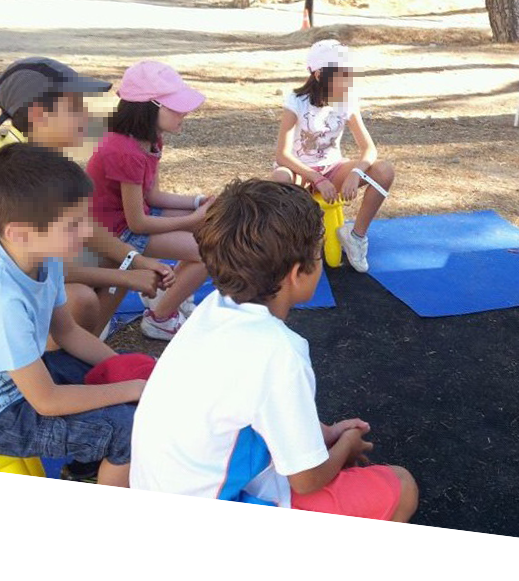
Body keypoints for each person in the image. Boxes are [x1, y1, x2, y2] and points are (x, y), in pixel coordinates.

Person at [130, 179, 418, 522]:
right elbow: (308, 479)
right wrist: (346, 447)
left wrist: (323, 433)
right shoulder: (279, 352)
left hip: (160, 494)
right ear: (297, 273)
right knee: (401, 486)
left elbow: (246, 406)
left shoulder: (213, 310)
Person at [0, 143, 144, 488]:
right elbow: (46, 401)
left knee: (109, 376)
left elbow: (69, 333)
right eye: (73, 225)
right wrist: (133, 388)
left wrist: (126, 372)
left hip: (23, 379)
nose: (86, 232)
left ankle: (85, 467)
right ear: (19, 233)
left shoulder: (41, 252)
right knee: (130, 429)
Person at [0, 58, 175, 346]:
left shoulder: (31, 153)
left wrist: (134, 259)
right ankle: (46, 366)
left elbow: (83, 226)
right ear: (40, 114)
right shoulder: (18, 176)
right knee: (79, 299)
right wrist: (129, 276)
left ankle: (83, 349)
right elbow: (43, 268)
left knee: (107, 258)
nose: (87, 116)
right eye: (75, 108)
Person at [86, 61, 213, 341]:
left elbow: (151, 196)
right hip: (113, 232)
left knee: (211, 232)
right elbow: (137, 223)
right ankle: (160, 318)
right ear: (151, 107)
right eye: (177, 107)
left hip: (127, 219)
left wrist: (198, 202)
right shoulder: (125, 150)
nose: (185, 113)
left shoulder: (150, 139)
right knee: (208, 251)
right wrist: (194, 219)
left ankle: (167, 294)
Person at [271, 39, 395, 273]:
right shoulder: (296, 101)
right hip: (299, 172)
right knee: (279, 177)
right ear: (319, 75)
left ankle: (355, 236)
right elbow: (282, 154)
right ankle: (283, 243)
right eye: (341, 75)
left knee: (384, 170)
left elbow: (369, 149)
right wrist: (315, 178)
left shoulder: (347, 100)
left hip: (332, 168)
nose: (348, 81)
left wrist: (356, 173)